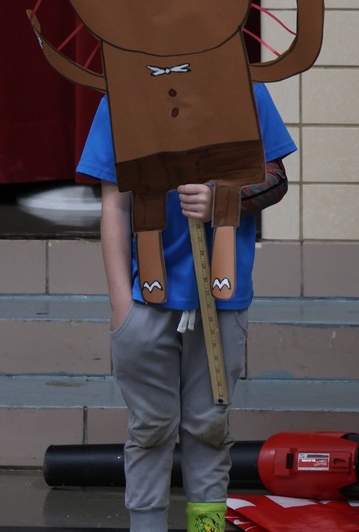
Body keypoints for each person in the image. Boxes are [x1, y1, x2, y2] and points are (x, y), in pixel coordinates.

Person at [78, 82, 296, 532]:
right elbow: (114, 208)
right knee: (151, 430)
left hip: (222, 298)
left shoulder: (247, 90)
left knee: (208, 427)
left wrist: (225, 197)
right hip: (146, 302)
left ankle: (208, 527)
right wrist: (122, 305)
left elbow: (275, 179)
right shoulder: (122, 98)